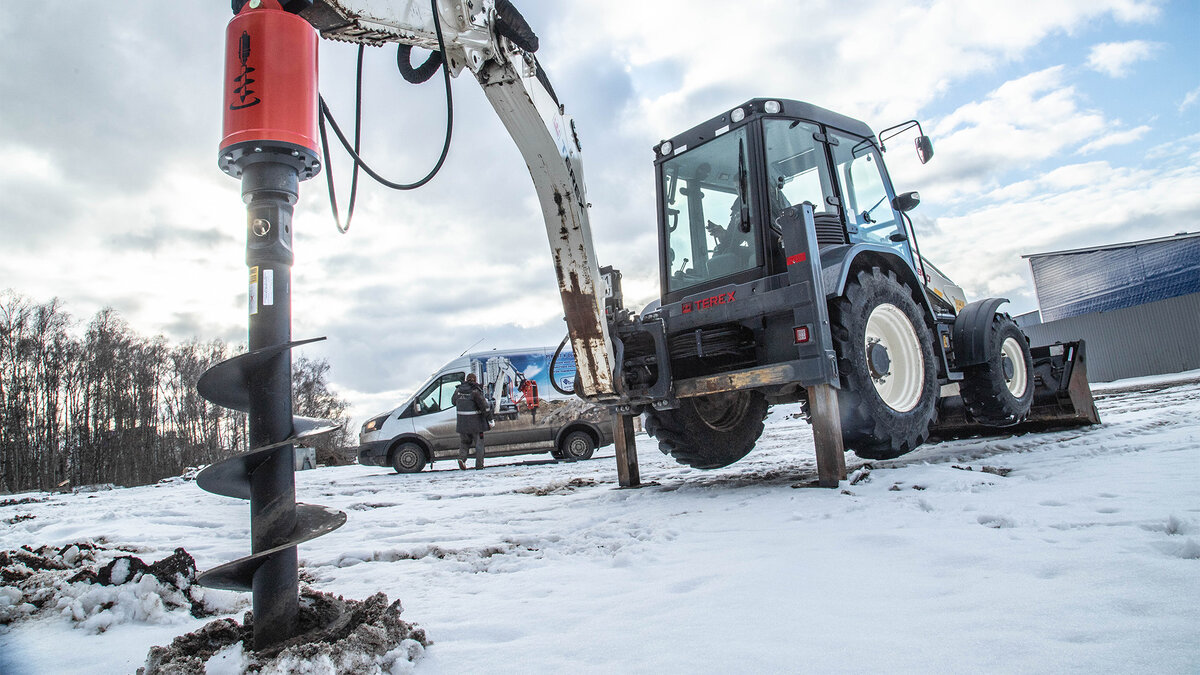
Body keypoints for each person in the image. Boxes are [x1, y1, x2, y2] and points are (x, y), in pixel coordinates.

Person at [452, 373, 492, 470]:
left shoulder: (458, 390)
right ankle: (479, 466)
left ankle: (462, 459)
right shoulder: (475, 391)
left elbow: (453, 402)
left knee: (465, 443)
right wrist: (490, 419)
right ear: (474, 380)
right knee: (479, 445)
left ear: (466, 379)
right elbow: (484, 407)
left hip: (462, 424)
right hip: (476, 424)